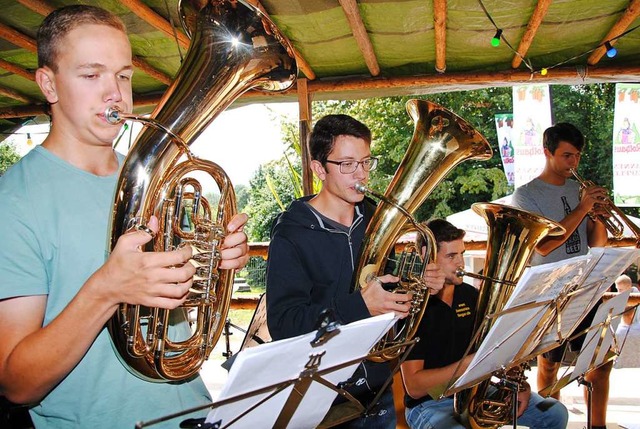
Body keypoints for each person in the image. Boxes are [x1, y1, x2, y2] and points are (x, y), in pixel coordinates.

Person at [0, 6, 249, 428]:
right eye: (91, 75)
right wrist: (105, 290)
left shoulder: (153, 182)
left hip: (194, 414)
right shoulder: (14, 201)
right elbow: (17, 383)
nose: (115, 93)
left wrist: (210, 264)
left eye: (123, 75)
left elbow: (171, 312)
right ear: (49, 84)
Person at [265, 113, 445, 428]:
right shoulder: (292, 234)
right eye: (347, 164)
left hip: (378, 389)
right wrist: (360, 306)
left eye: (365, 162)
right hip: (323, 397)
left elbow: (382, 279)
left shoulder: (374, 219)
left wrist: (417, 278)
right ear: (319, 168)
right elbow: (284, 325)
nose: (361, 174)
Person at [401, 219, 569, 429]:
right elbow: (414, 388)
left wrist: (519, 385)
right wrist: (468, 364)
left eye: (462, 253)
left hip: (475, 392)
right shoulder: (413, 305)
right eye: (451, 256)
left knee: (554, 413)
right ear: (427, 256)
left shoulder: (472, 296)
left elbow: (497, 348)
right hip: (430, 404)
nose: (460, 263)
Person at [512, 122, 611, 429]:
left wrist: (599, 218)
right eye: (567, 155)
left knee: (602, 362)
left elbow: (597, 243)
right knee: (549, 365)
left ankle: (598, 425)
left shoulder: (579, 190)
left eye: (577, 155)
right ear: (547, 153)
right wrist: (583, 208)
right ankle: (550, 421)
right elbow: (544, 244)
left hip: (585, 287)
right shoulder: (526, 195)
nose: (574, 163)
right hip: (548, 291)